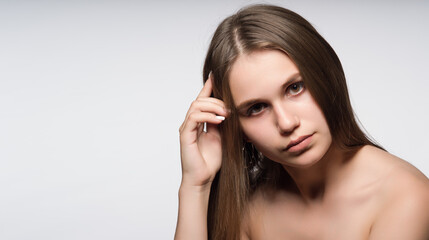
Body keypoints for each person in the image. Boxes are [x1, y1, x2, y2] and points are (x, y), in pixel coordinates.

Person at [175, 4, 429, 240]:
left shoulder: (405, 196)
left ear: (326, 78)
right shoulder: (250, 206)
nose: (286, 123)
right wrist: (196, 186)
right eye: (256, 108)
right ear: (238, 129)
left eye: (295, 88)